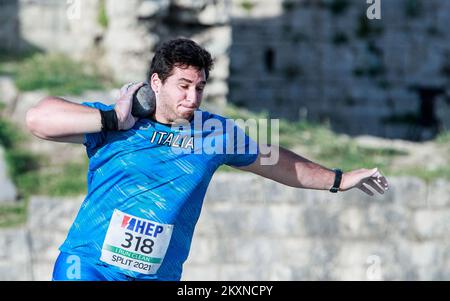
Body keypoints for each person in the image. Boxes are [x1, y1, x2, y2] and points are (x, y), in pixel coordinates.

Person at [25, 38, 389, 281]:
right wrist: (112, 119)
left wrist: (339, 179)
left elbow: (277, 161)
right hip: (88, 266)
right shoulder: (120, 121)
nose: (192, 97)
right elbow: (38, 119)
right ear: (156, 82)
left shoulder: (215, 133)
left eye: (199, 88)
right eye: (183, 85)